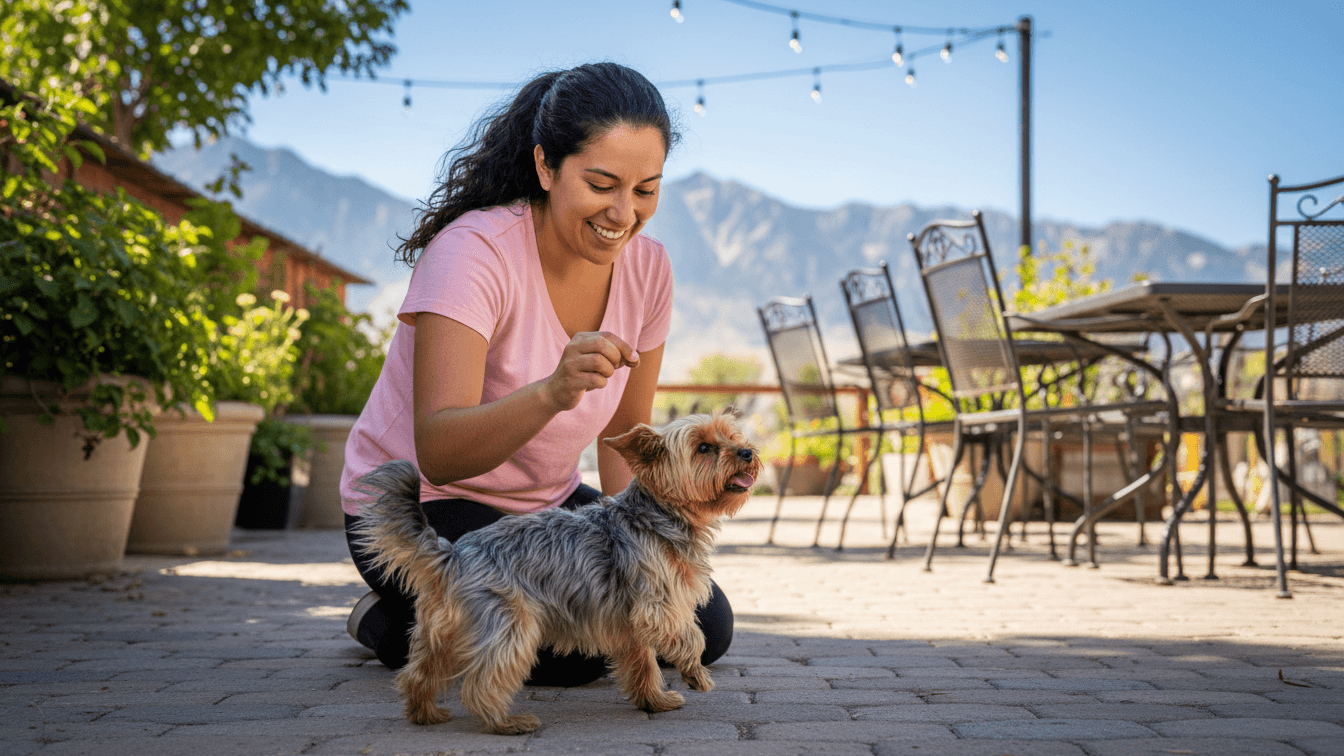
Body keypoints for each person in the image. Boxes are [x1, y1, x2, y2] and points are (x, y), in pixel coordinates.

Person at [338, 61, 733, 685]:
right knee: (564, 646)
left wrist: (649, 545)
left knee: (694, 627)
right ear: (546, 167)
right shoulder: (475, 254)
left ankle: (441, 617)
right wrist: (552, 392)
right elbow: (439, 451)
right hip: (424, 506)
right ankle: (390, 621)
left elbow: (625, 436)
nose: (624, 214)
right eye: (602, 184)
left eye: (646, 189)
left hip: (541, 508)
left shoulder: (649, 269)